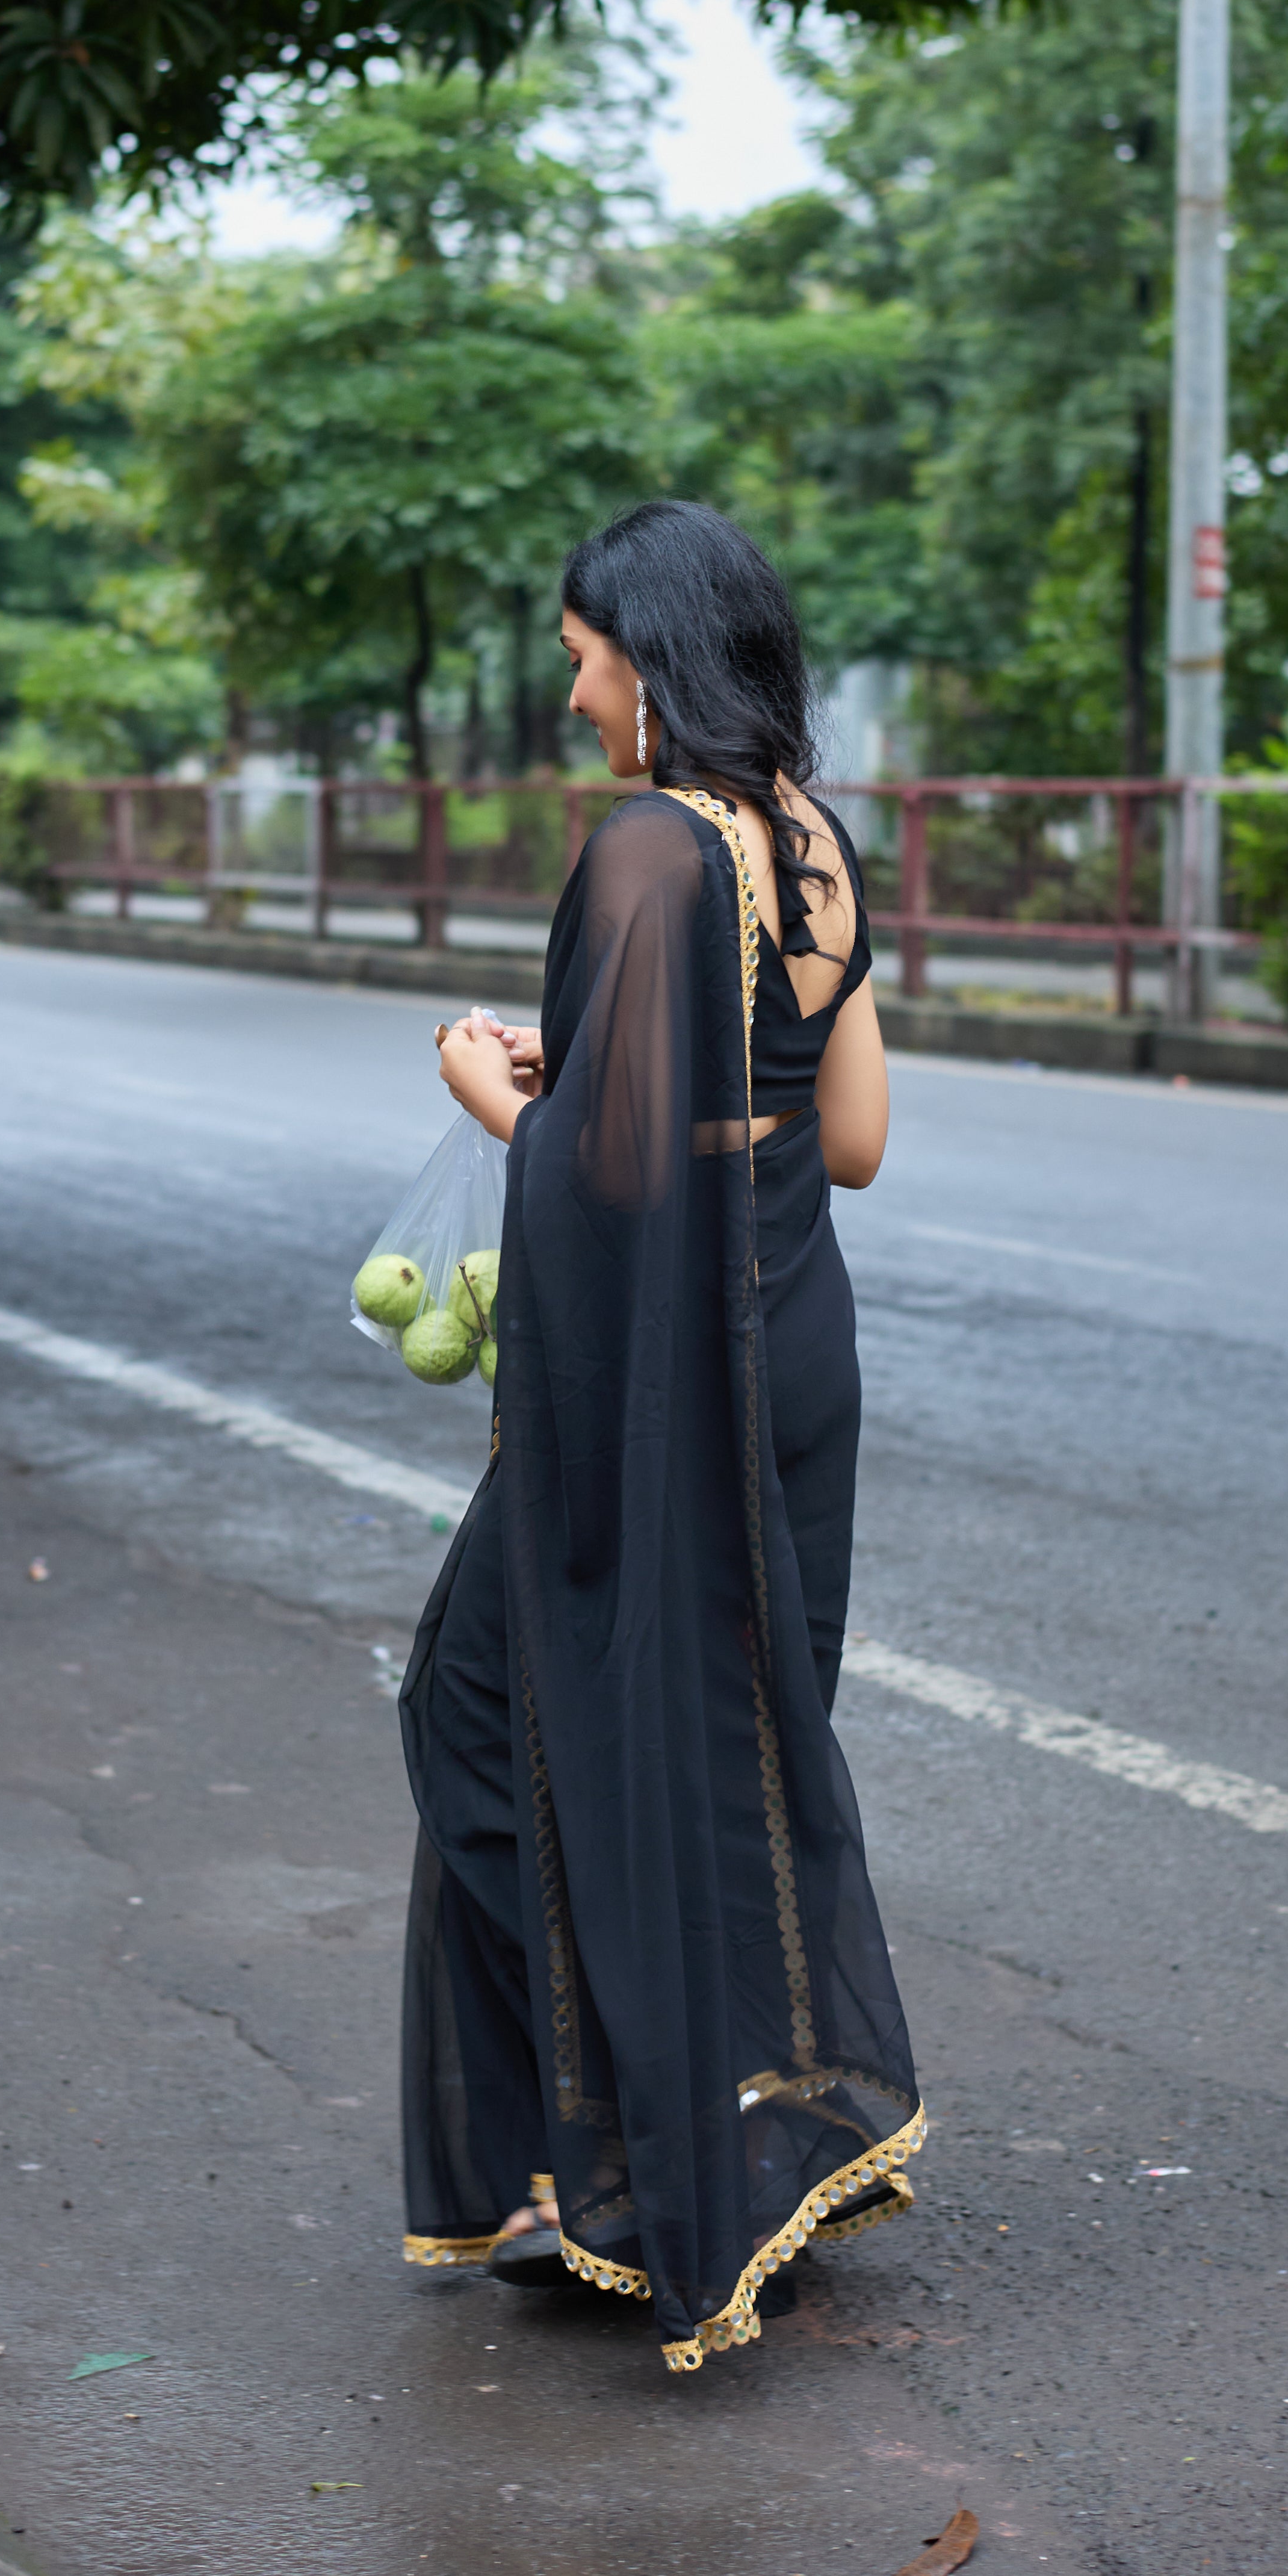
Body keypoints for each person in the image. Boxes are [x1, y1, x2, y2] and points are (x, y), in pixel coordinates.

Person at [397, 499, 923, 2374]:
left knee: (478, 1712)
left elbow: (607, 1178)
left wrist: (494, 1093)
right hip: (792, 1340)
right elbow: (845, 1140)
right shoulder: (813, 842)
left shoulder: (647, 846)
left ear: (650, 658)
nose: (569, 690)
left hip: (670, 1372)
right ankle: (691, 2148)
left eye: (578, 654)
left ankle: (637, 2150)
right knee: (726, 1757)